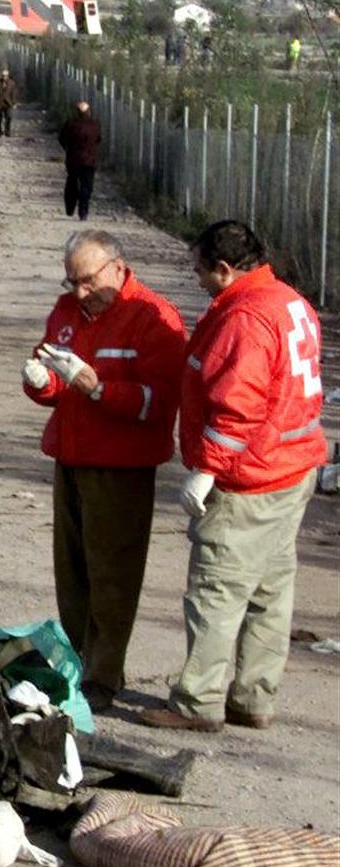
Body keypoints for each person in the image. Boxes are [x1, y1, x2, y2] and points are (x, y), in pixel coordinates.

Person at [142, 222, 325, 732]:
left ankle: (198, 701)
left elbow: (237, 408)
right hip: (293, 468)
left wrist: (206, 471)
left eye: (201, 270)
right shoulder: (289, 301)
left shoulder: (244, 317)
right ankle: (253, 698)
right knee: (270, 590)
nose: (198, 280)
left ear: (224, 269)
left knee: (216, 590)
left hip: (251, 478)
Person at [23, 230, 187, 710]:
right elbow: (54, 378)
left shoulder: (152, 319)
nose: (80, 293)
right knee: (71, 571)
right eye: (72, 281)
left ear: (118, 267)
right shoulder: (66, 312)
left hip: (121, 467)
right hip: (71, 456)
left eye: (88, 281)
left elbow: (159, 404)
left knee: (112, 574)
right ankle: (74, 660)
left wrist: (97, 389)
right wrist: (40, 384)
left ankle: (103, 675)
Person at [58, 99, 100, 220]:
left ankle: (70, 208)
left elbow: (62, 139)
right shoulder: (95, 125)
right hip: (89, 161)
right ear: (88, 112)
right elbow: (98, 139)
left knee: (72, 183)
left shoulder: (71, 124)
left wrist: (68, 149)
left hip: (73, 159)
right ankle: (83, 212)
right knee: (86, 187)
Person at [0, 68, 19, 138]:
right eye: (3, 75)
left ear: (8, 76)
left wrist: (14, 103)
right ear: (1, 76)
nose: (4, 77)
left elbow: (13, 94)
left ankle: (7, 132)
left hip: (8, 103)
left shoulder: (12, 83)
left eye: (6, 76)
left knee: (9, 117)